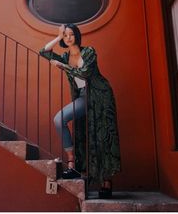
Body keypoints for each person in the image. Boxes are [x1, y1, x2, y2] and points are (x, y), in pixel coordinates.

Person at [39, 23, 121, 198]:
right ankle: (72, 163)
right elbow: (44, 52)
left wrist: (63, 67)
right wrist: (58, 37)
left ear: (77, 36)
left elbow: (84, 73)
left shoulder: (89, 51)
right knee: (60, 120)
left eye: (71, 34)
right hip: (83, 97)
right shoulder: (66, 55)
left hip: (100, 95)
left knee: (102, 137)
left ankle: (106, 181)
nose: (68, 38)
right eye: (65, 36)